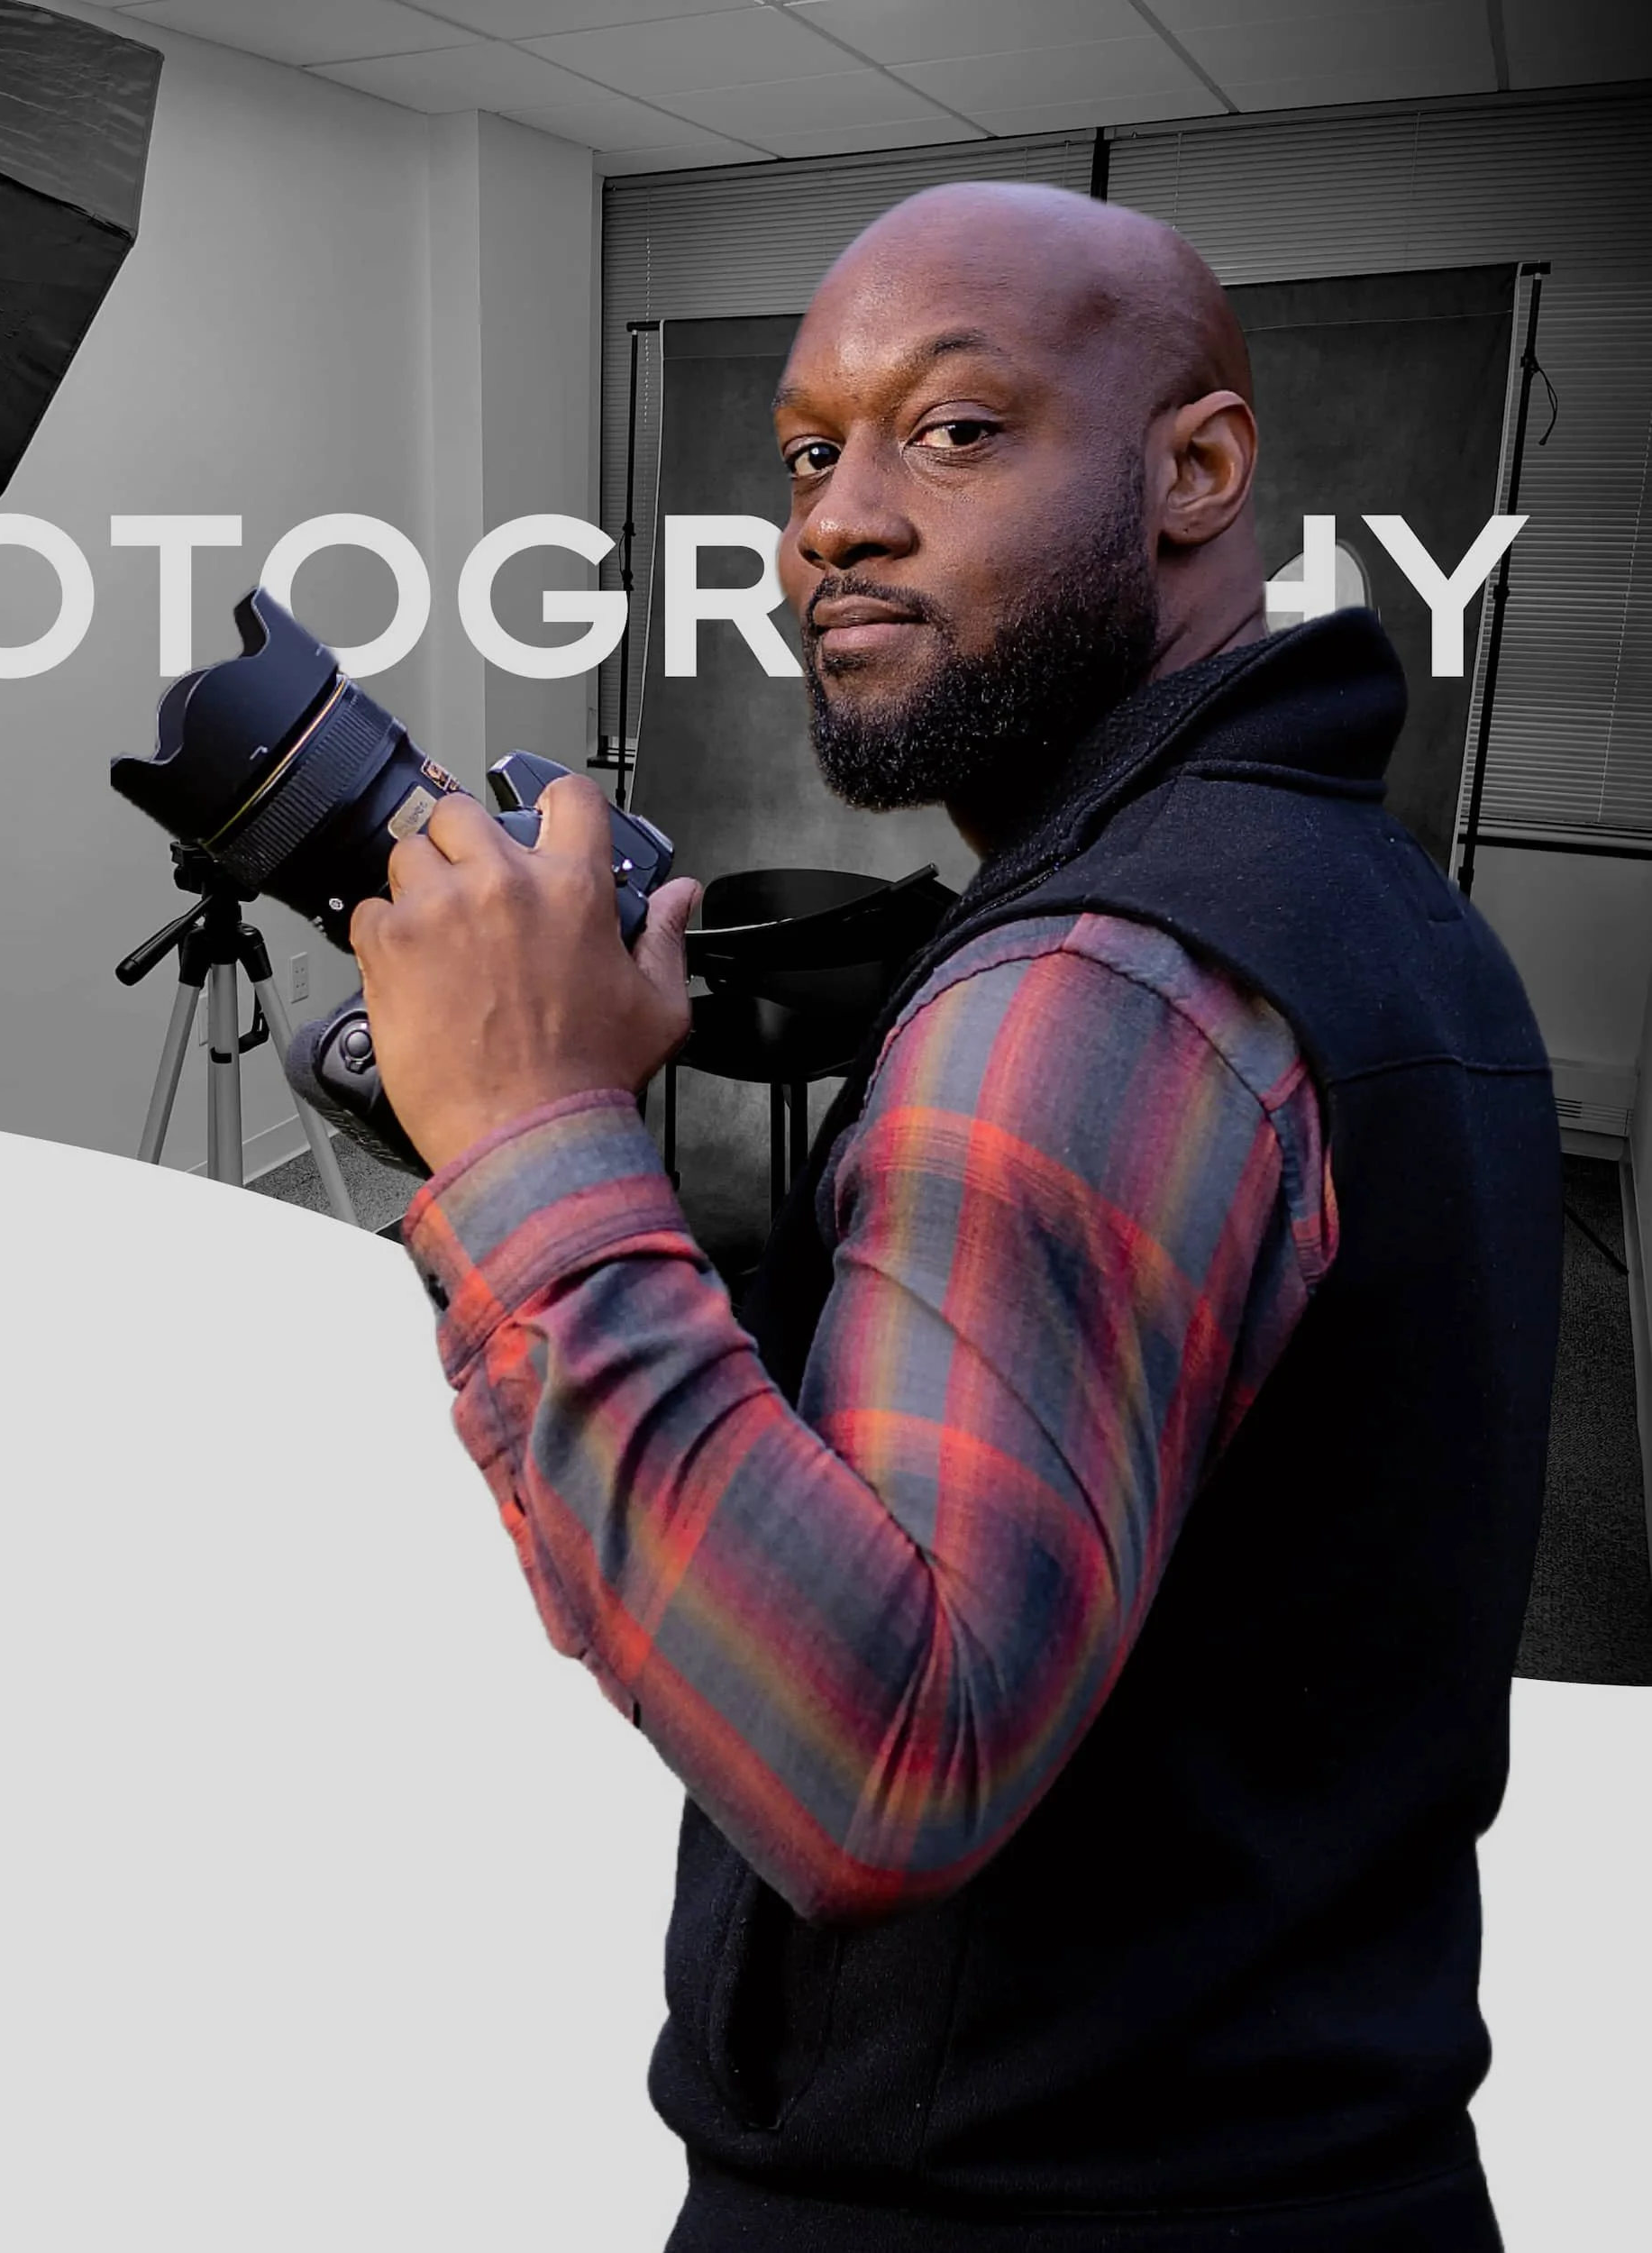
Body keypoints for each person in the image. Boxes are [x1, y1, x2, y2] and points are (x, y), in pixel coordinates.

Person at [351, 182, 1561, 2252]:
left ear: (1192, 470)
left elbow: (876, 1743)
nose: (831, 519)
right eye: (808, 451)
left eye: (954, 429)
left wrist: (533, 1138)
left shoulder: (1089, 986)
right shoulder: (1368, 912)